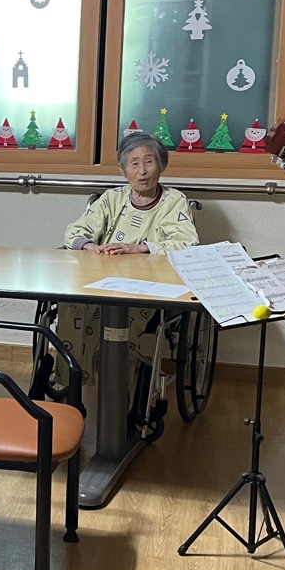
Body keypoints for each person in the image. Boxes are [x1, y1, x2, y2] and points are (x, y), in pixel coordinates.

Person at [53, 131, 199, 398]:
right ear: (123, 170)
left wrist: (140, 247)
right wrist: (89, 246)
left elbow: (187, 244)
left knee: (122, 317)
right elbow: (75, 231)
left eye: (149, 162)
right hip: (100, 282)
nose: (142, 171)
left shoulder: (173, 201)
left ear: (161, 165)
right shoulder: (112, 199)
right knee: (72, 303)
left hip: (147, 285)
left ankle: (116, 391)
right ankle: (73, 384)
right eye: (134, 163)